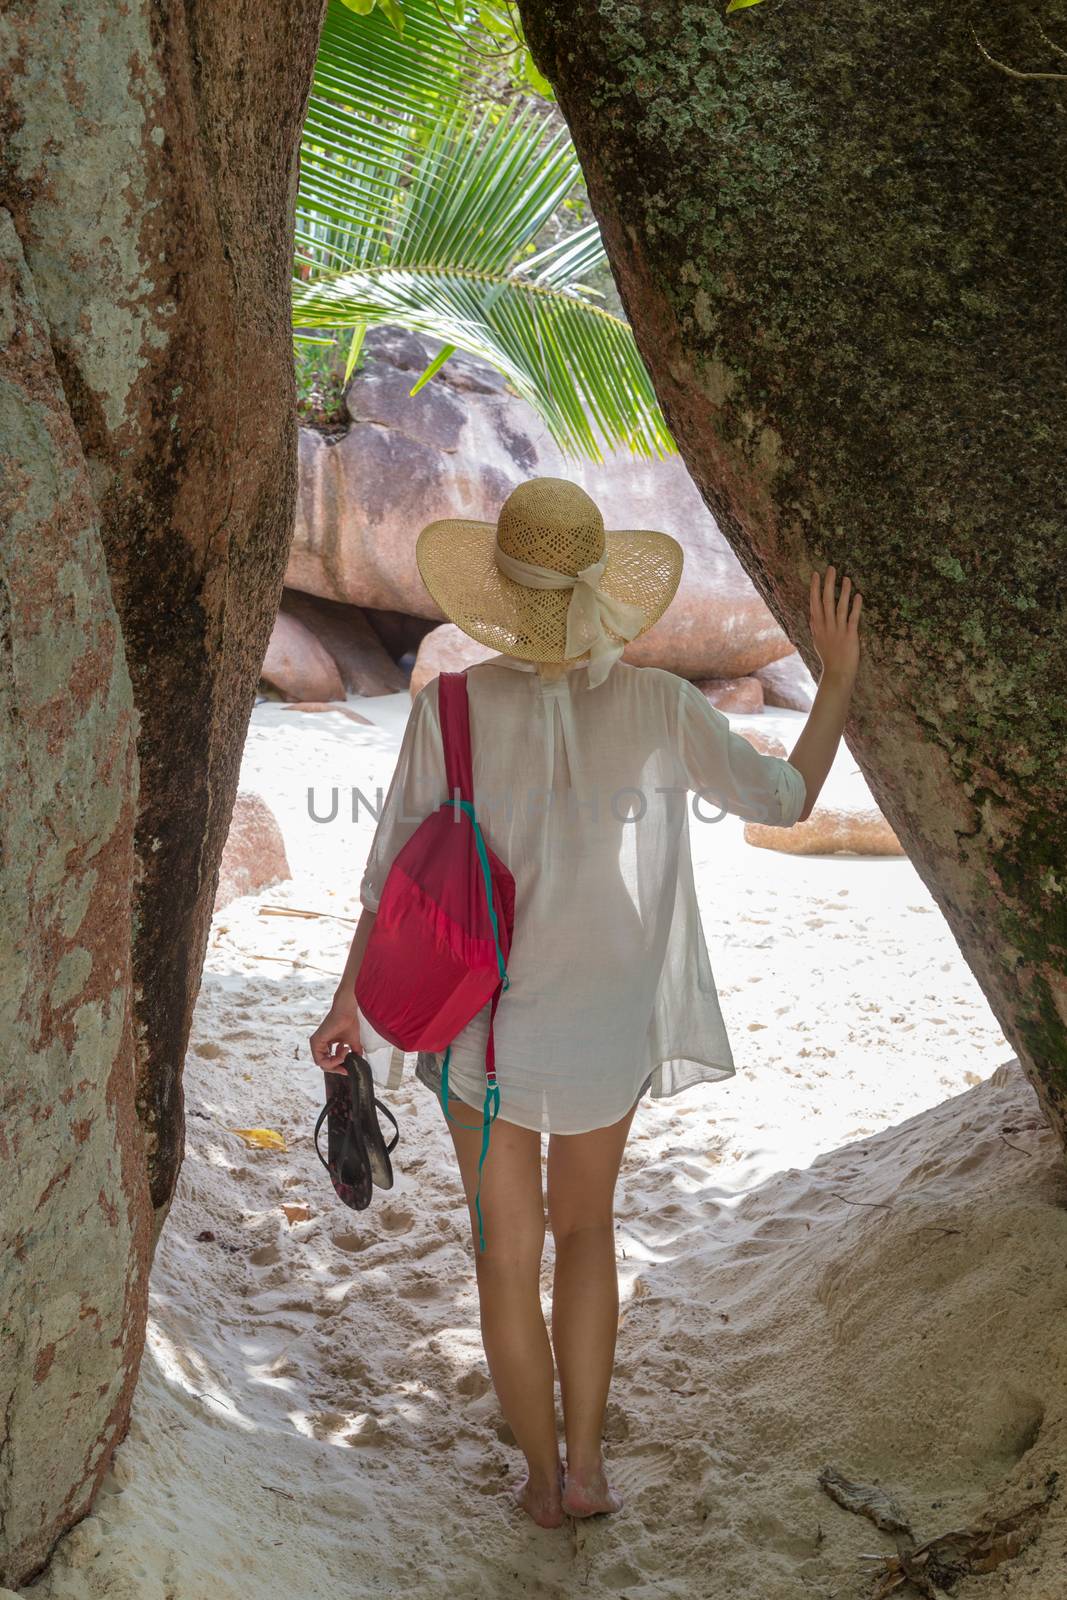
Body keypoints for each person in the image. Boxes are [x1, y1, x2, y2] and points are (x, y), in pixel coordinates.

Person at [310, 476, 862, 1528]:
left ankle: (536, 1480)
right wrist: (834, 681)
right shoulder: (656, 702)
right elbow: (783, 801)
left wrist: (351, 1004)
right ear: (601, 590)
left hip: (484, 1016)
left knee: (503, 1257)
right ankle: (589, 1470)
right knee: (590, 1235)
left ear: (502, 600)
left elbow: (395, 883)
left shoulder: (452, 706)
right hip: (604, 1000)